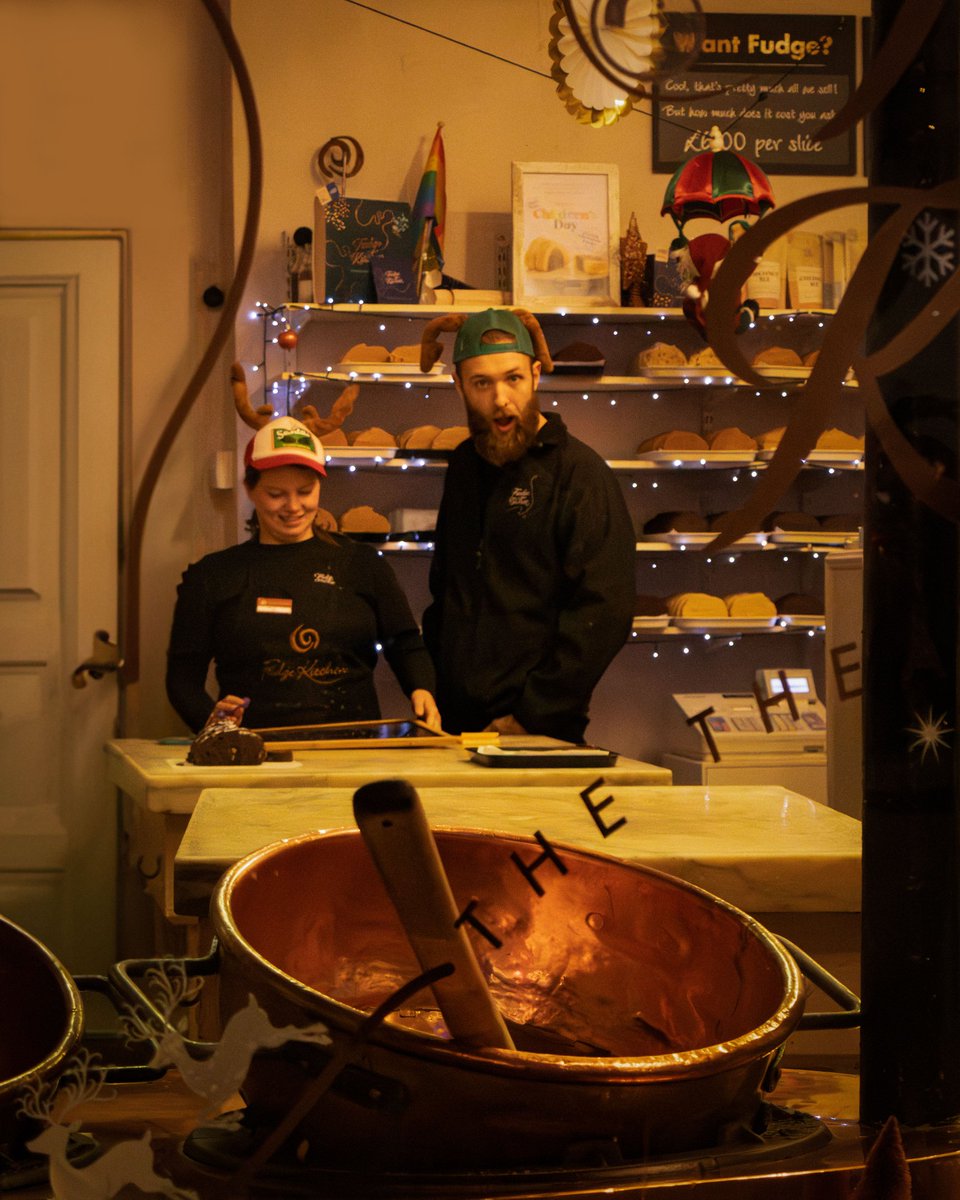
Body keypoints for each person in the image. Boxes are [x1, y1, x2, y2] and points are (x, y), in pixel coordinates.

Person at [420, 308, 635, 743]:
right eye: (482, 382)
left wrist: (532, 716)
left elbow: (604, 612)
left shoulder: (579, 473)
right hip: (456, 728)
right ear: (458, 384)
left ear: (536, 375)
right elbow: (446, 588)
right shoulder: (463, 465)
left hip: (538, 733)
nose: (501, 399)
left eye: (513, 378)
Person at [166, 415, 440, 733]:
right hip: (254, 754)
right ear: (250, 490)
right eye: (276, 494)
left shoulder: (363, 564)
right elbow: (182, 680)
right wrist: (213, 723)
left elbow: (405, 642)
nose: (293, 506)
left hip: (354, 750)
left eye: (305, 491)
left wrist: (422, 689)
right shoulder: (213, 576)